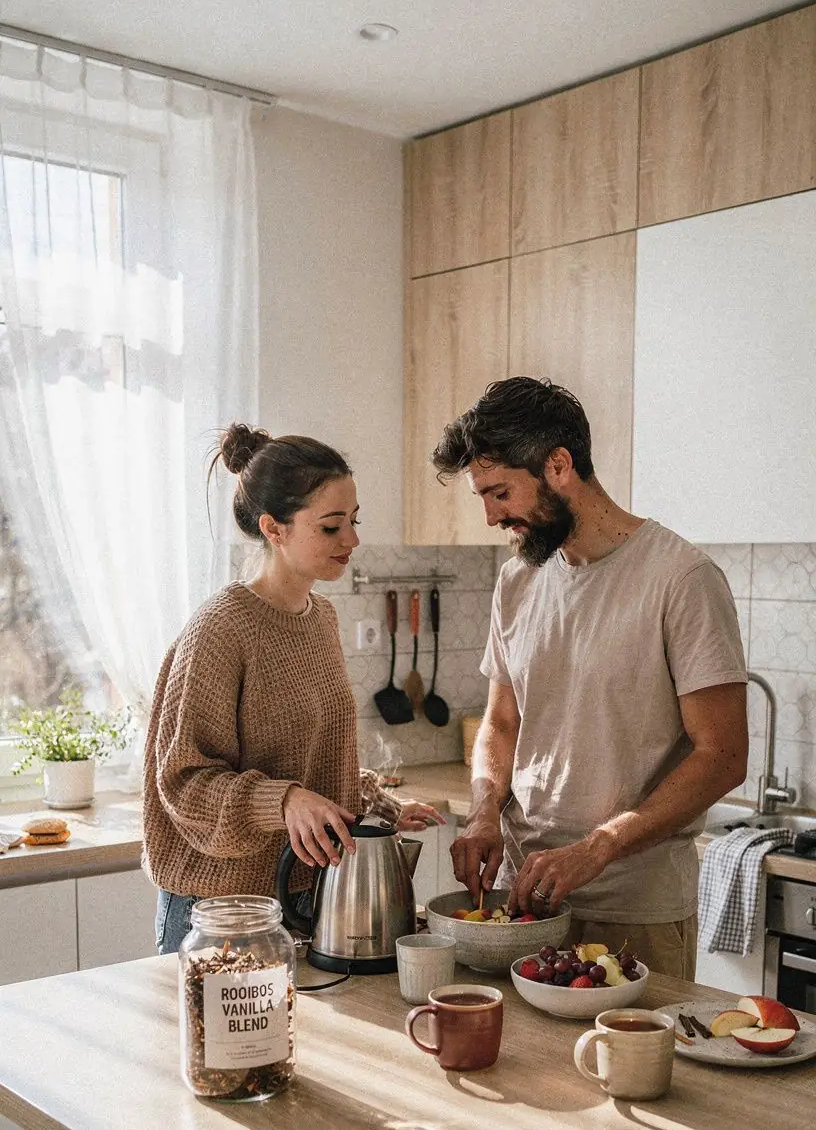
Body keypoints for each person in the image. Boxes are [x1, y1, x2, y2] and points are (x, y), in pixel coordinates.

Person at [432, 377, 748, 979]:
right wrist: (482, 810)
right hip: (519, 899)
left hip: (634, 909)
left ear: (558, 465)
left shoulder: (681, 579)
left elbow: (723, 756)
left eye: (500, 493)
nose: (491, 515)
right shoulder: (517, 581)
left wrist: (599, 846)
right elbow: (502, 721)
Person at [144, 425, 442, 955]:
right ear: (273, 528)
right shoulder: (220, 629)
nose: (351, 541)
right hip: (220, 908)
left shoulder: (320, 618)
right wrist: (283, 801)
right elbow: (182, 782)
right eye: (331, 527)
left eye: (353, 521)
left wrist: (379, 803)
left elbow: (311, 759)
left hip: (303, 895)